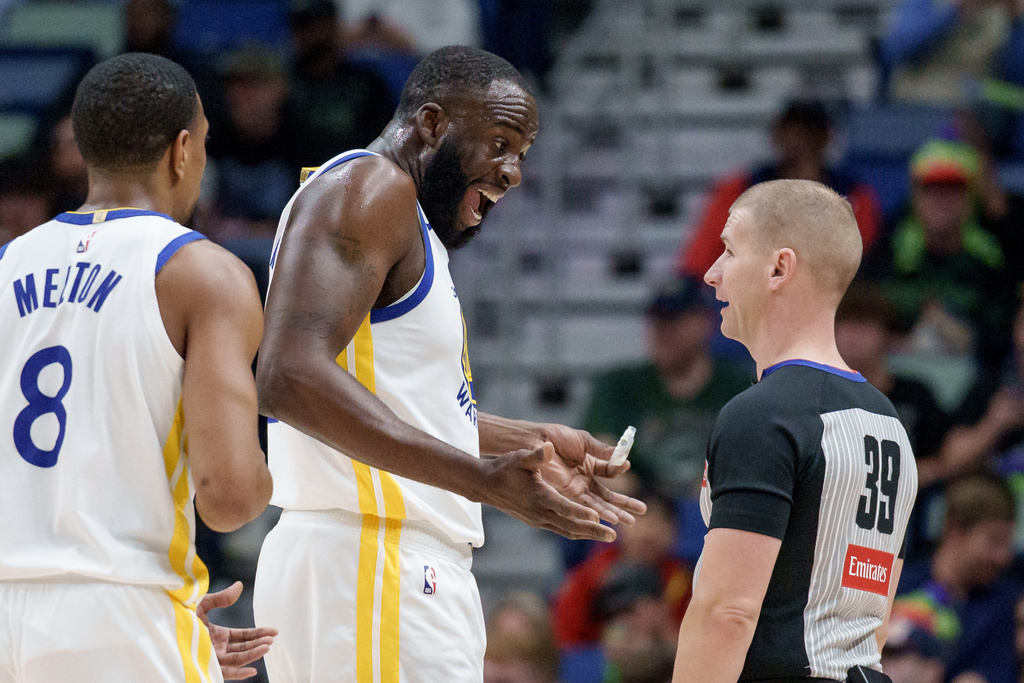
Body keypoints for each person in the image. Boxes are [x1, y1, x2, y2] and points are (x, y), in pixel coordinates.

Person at [252, 45, 645, 682]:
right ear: (431, 124)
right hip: (371, 559)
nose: (513, 172)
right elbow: (287, 375)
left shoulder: (397, 215)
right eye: (500, 142)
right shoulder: (370, 186)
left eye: (521, 153)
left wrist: (531, 440)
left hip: (375, 566)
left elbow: (391, 396)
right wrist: (478, 477)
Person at [0, 53, 275, 682]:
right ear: (182, 150)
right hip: (121, 616)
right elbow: (229, 499)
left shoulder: (5, 265)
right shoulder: (204, 275)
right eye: (203, 144)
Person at [672, 179, 919, 683]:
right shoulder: (889, 422)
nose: (712, 274)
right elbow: (875, 612)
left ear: (779, 268)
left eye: (728, 251)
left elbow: (727, 614)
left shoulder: (762, 416)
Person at [581, 276, 753, 499]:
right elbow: (600, 463)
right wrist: (650, 504)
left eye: (675, 321)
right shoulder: (618, 386)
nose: (663, 332)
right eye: (657, 321)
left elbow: (755, 466)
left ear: (705, 323)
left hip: (717, 512)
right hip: (642, 515)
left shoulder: (741, 388)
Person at [675, 100, 882, 280]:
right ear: (776, 135)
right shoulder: (740, 190)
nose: (800, 140)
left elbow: (861, 262)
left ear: (826, 137)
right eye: (792, 130)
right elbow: (700, 259)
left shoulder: (854, 195)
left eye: (809, 131)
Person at [897, 474, 1021, 683]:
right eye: (994, 540)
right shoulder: (899, 584)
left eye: (1007, 543)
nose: (1004, 557)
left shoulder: (1003, 606)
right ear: (956, 530)